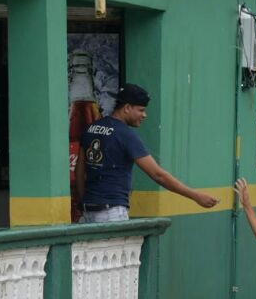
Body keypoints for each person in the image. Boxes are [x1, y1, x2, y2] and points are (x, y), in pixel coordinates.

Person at [74, 83, 218, 222]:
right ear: (127, 108)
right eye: (141, 110)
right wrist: (195, 195)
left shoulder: (92, 128)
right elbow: (158, 175)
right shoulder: (126, 135)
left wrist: (84, 201)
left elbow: (79, 171)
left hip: (89, 210)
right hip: (112, 212)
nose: (144, 115)